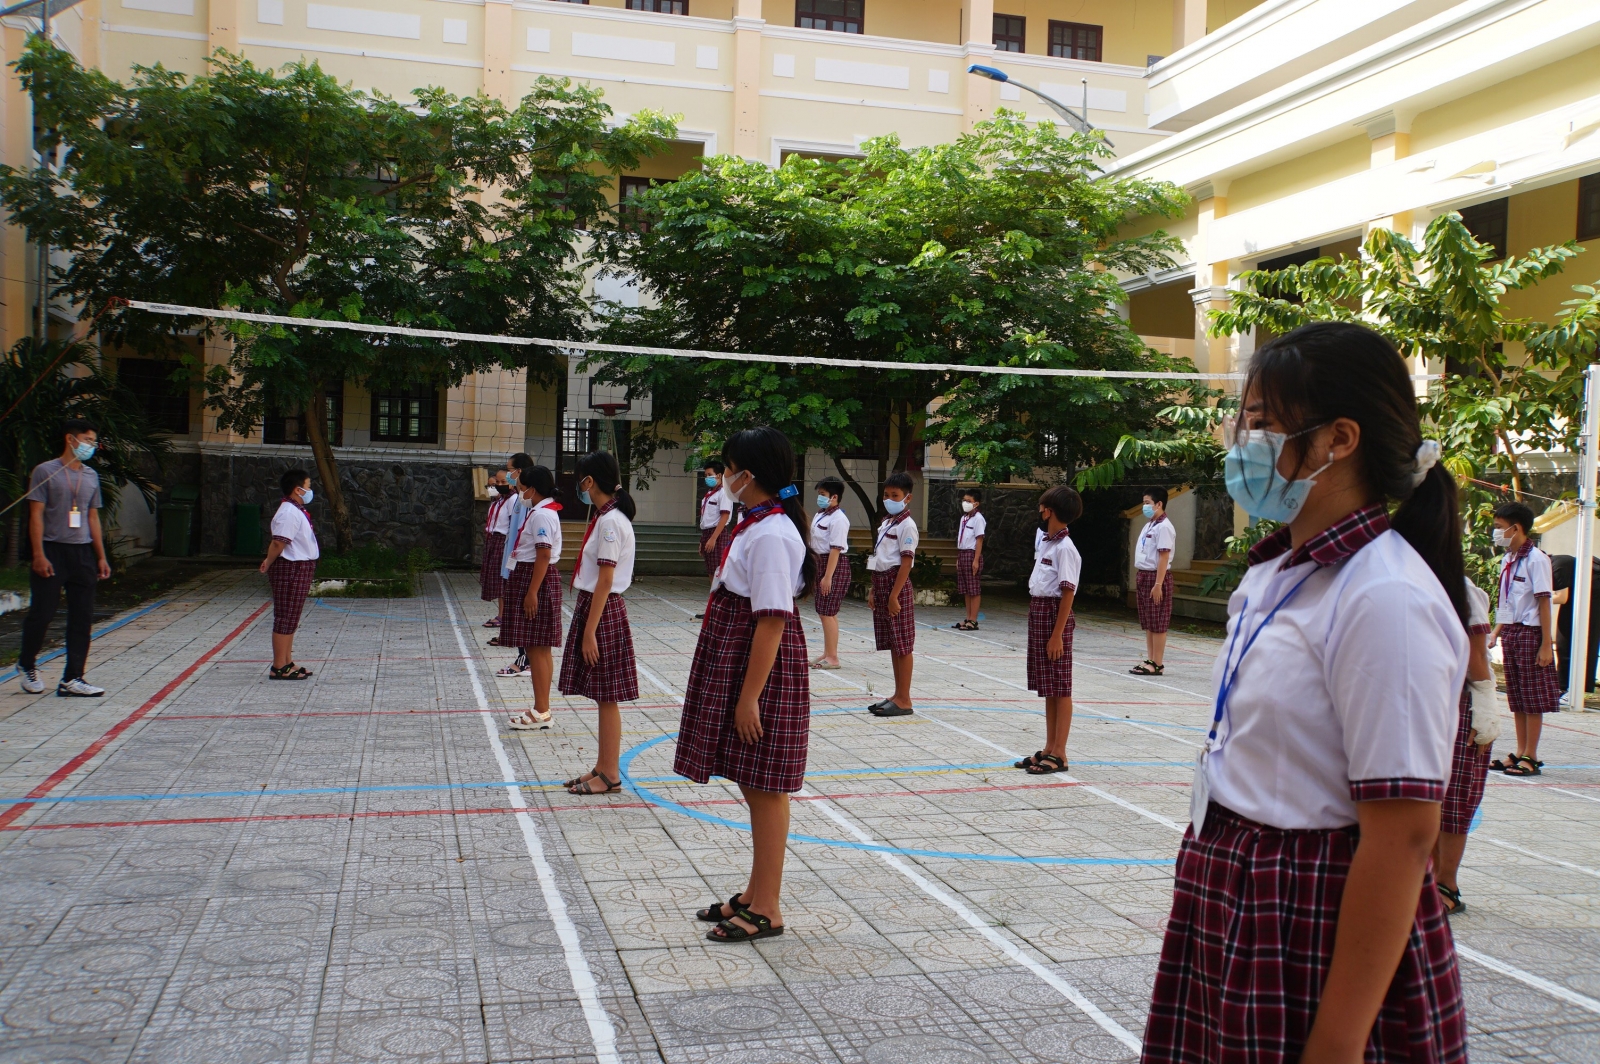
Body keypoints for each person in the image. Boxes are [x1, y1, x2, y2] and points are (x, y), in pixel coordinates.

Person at [1141, 322, 1468, 1064]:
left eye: (1260, 424)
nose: (1240, 442)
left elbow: (1403, 833)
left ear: (1338, 440)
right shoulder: (1276, 574)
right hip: (1240, 894)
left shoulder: (1384, 596)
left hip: (1312, 913)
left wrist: (1338, 1041)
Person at [677, 427, 815, 943]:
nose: (722, 476)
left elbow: (773, 621)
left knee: (767, 786)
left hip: (762, 669)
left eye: (728, 467)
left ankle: (769, 907)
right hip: (739, 658)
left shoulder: (774, 533)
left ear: (748, 475)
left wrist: (749, 697)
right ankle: (756, 894)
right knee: (753, 782)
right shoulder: (754, 524)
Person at [558, 452, 639, 795]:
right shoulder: (607, 518)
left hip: (602, 610)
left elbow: (606, 579)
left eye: (580, 479)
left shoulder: (610, 522)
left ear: (589, 481)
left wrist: (590, 631)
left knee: (607, 696)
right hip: (596, 606)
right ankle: (602, 766)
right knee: (603, 695)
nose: (579, 485)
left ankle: (609, 774)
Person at [17, 418, 112, 697]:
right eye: (87, 440)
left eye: (94, 441)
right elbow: (36, 515)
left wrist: (101, 556)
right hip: (52, 548)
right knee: (43, 612)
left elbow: (92, 517)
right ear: (71, 439)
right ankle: (26, 663)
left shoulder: (91, 476)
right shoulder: (45, 471)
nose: (91, 446)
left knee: (82, 617)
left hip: (81, 552)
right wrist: (38, 554)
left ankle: (73, 678)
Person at [1435, 576, 1501, 915]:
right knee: (1429, 794)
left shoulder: (1462, 590)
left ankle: (1447, 883)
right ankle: (1427, 878)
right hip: (1433, 697)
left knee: (1456, 799)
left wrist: (1487, 706)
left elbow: (1477, 659)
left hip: (1465, 702)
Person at [1014, 485, 1082, 776]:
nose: (1039, 511)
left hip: (1056, 615)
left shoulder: (1067, 549)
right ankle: (1049, 747)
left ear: (1049, 511)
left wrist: (1057, 634)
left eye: (1042, 507)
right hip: (1040, 611)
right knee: (1049, 687)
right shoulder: (1047, 543)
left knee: (1061, 686)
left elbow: (1068, 593)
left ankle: (1061, 753)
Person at [1488, 501, 1558, 777]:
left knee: (1532, 698)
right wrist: (1496, 632)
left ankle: (1531, 755)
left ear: (1516, 528)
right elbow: (1506, 600)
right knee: (1516, 697)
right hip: (1513, 632)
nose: (1496, 533)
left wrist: (1546, 644)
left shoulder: (1536, 560)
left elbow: (1544, 602)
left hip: (1531, 633)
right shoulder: (1508, 559)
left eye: (1499, 528)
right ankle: (1518, 751)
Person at [506, 466, 564, 731]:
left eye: (522, 487)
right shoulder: (542, 512)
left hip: (535, 579)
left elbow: (542, 554)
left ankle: (542, 711)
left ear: (533, 488)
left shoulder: (542, 514)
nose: (520, 493)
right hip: (533, 577)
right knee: (538, 648)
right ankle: (542, 708)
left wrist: (532, 592)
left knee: (537, 647)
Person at [260, 468, 320, 681]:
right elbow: (278, 542)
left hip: (300, 566)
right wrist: (269, 562)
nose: (310, 490)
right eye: (308, 486)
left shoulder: (296, 510)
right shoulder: (288, 512)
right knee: (285, 616)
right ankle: (278, 666)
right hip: (290, 567)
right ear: (298, 489)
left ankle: (286, 661)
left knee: (291, 617)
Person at [866, 472, 918, 717]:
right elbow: (879, 558)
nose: (889, 499)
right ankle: (897, 694)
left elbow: (906, 563)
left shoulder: (907, 525)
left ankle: (905, 699)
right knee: (893, 643)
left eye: (895, 496)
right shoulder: (888, 522)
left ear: (907, 498)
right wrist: (875, 589)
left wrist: (893, 595)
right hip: (883, 583)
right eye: (886, 495)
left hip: (896, 585)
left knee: (903, 644)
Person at [490, 454, 534, 671]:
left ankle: (525, 658)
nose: (507, 475)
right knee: (515, 611)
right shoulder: (518, 498)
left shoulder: (526, 500)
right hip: (513, 561)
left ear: (521, 471)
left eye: (510, 470)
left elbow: (525, 535)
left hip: (522, 564)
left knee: (522, 613)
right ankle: (523, 656)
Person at [1131, 487, 1176, 676]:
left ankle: (1158, 662)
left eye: (1148, 503)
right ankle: (1150, 659)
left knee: (1158, 622)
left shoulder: (1164, 527)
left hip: (1157, 577)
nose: (1145, 506)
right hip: (1144, 575)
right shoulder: (1150, 525)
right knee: (1149, 622)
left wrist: (1158, 584)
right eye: (1144, 503)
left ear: (1159, 504)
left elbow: (1164, 557)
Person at [809, 476, 850, 669]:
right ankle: (828, 652)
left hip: (833, 565)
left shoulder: (839, 519)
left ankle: (833, 657)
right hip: (820, 562)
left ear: (834, 497)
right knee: (824, 611)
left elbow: (836, 549)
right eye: (819, 494)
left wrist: (828, 577)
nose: (820, 498)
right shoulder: (821, 515)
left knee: (828, 612)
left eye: (823, 495)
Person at [1549, 553, 1600, 707]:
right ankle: (1562, 687)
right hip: (1578, 596)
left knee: (1586, 642)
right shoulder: (1554, 564)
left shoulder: (1556, 565)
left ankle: (1579, 690)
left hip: (1593, 596)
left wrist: (1533, 597)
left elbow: (1561, 597)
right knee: (1563, 641)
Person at [480, 471, 512, 628]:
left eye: (498, 484)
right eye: (491, 485)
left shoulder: (511, 501)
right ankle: (502, 614)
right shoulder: (496, 503)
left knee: (502, 580)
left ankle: (503, 615)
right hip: (493, 540)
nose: (494, 488)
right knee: (497, 581)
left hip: (503, 541)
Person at [952, 487, 986, 631]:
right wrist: (958, 558)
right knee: (966, 589)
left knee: (974, 589)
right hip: (963, 553)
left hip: (972, 554)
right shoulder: (964, 518)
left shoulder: (978, 519)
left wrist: (976, 560)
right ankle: (968, 617)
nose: (965, 503)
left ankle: (973, 620)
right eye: (964, 500)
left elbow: (979, 540)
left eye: (969, 501)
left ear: (976, 504)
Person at [698, 461, 733, 579]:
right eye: (705, 475)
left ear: (718, 475)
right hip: (707, 532)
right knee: (710, 569)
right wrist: (703, 540)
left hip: (717, 533)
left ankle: (717, 595)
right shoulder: (710, 493)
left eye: (709, 474)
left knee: (717, 570)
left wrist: (713, 538)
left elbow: (725, 516)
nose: (707, 478)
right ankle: (713, 595)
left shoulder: (723, 493)